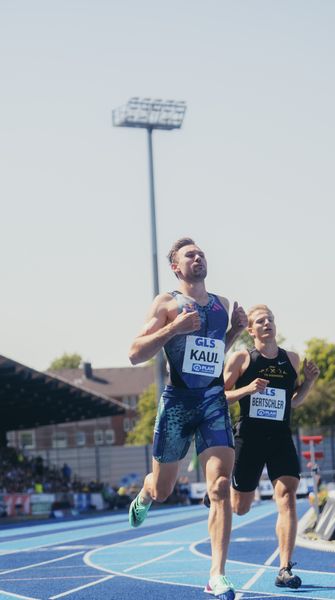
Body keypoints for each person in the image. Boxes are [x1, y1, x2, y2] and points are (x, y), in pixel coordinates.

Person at [128, 237, 247, 600]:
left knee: (220, 485)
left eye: (201, 253)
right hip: (177, 405)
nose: (197, 257)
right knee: (163, 490)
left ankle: (217, 575)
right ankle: (146, 494)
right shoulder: (167, 304)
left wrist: (235, 332)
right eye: (188, 255)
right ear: (176, 267)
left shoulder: (222, 305)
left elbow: (210, 355)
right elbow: (134, 352)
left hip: (212, 401)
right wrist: (172, 329)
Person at [222, 304, 319, 589]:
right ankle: (223, 492)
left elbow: (294, 401)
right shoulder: (241, 359)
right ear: (250, 330)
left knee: (287, 496)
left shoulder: (292, 359)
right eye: (261, 321)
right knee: (240, 508)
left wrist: (309, 382)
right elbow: (221, 395)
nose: (267, 324)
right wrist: (247, 389)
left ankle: (284, 568)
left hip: (279, 436)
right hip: (249, 437)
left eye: (271, 319)